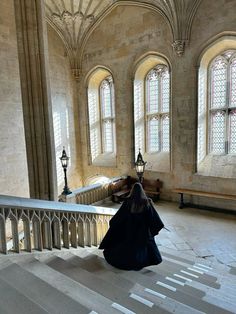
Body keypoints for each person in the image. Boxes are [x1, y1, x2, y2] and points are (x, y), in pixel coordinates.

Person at [99, 182, 164, 270]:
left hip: (129, 230)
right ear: (142, 191)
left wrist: (114, 224)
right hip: (142, 232)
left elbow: (119, 216)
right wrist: (152, 230)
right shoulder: (147, 202)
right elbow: (154, 219)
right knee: (140, 248)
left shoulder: (128, 201)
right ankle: (139, 261)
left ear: (132, 191)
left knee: (128, 247)